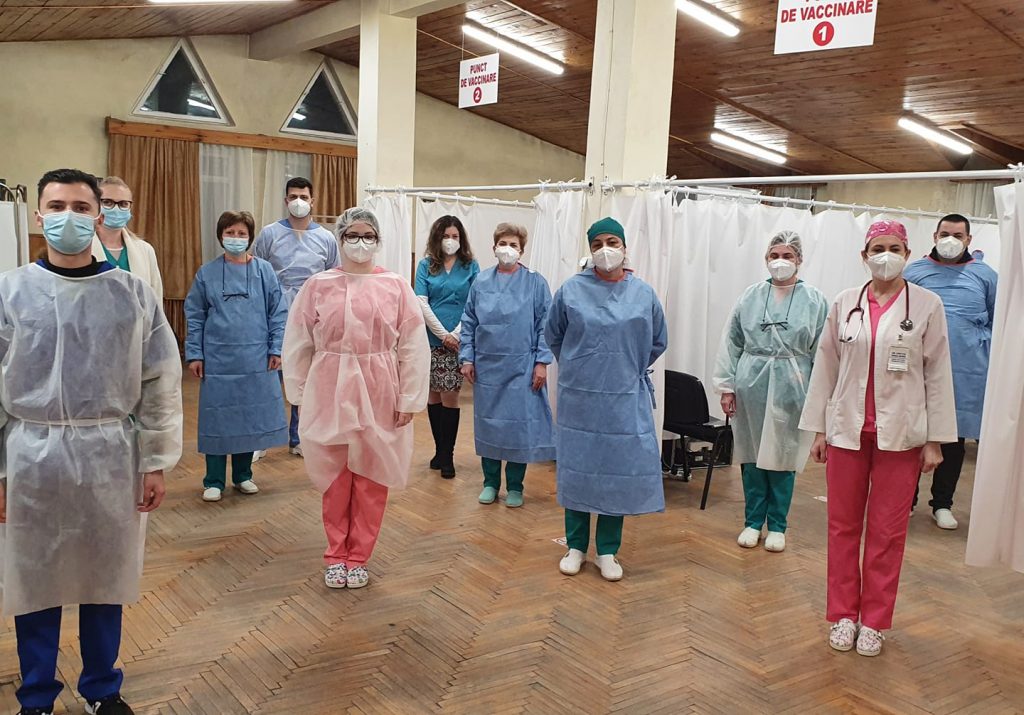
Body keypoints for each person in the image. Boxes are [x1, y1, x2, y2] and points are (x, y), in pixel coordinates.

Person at [0, 169, 182, 715]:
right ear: (39, 216)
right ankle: (37, 695)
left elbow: (159, 379)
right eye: (57, 206)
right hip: (30, 453)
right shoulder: (10, 292)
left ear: (98, 216)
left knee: (106, 575)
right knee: (34, 578)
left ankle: (102, 688)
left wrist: (155, 460)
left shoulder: (131, 295)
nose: (69, 217)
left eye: (81, 207)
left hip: (109, 453)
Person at [800, 220, 956, 657]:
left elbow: (938, 373)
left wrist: (935, 439)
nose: (885, 256)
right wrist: (819, 430)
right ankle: (843, 615)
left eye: (894, 248)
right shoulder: (844, 303)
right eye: (877, 248)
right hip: (847, 432)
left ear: (907, 253)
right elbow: (826, 367)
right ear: (864, 255)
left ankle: (874, 620)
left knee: (887, 532)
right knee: (842, 527)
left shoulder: (927, 304)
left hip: (901, 436)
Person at [283, 207, 429, 590]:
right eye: (353, 235)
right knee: (334, 473)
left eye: (368, 236)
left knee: (371, 473)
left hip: (380, 387)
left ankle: (359, 555)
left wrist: (410, 398)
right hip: (328, 385)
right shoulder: (318, 285)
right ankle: (336, 553)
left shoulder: (396, 286)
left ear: (378, 240)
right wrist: (298, 391)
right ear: (340, 238)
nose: (360, 243)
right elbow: (298, 340)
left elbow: (414, 346)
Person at [545, 217, 667, 582]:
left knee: (616, 470)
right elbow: (554, 335)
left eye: (612, 242)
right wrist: (579, 366)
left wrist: (626, 366)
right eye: (597, 244)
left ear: (625, 247)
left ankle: (608, 550)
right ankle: (575, 546)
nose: (605, 250)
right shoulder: (571, 290)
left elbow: (658, 339)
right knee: (578, 469)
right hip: (579, 397)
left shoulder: (643, 294)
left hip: (623, 396)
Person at [713, 231, 828, 553]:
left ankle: (777, 525)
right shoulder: (751, 296)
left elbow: (823, 351)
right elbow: (731, 342)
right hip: (751, 383)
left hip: (794, 385)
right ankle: (752, 522)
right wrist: (726, 387)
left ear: (799, 260)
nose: (780, 261)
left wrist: (818, 397)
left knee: (784, 455)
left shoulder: (815, 300)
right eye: (774, 255)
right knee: (751, 455)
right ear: (766, 259)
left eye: (787, 256)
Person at [184, 211, 289, 502]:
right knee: (218, 418)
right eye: (230, 233)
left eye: (242, 233)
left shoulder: (264, 271)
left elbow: (278, 312)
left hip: (256, 357)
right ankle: (214, 480)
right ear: (221, 235)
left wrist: (276, 348)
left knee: (248, 417)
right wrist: (195, 354)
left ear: (250, 237)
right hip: (217, 359)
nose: (236, 238)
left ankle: (243, 475)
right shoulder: (206, 273)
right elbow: (195, 315)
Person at [904, 213, 998, 530]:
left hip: (965, 372)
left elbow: (997, 319)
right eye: (945, 234)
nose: (950, 240)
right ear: (934, 235)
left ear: (969, 239)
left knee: (953, 440)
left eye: (958, 235)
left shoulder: (985, 276)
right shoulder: (915, 272)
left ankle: (942, 504)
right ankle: (906, 500)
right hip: (918, 370)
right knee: (912, 436)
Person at [459, 223, 555, 507]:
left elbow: (546, 325)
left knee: (517, 428)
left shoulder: (535, 283)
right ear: (494, 248)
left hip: (522, 366)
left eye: (513, 245)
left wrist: (541, 362)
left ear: (522, 250)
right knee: (489, 425)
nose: (508, 249)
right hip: (487, 367)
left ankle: (515, 486)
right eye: (503, 244)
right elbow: (469, 321)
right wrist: (467, 357)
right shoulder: (481, 282)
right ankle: (490, 482)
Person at [252, 177, 340, 456]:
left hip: (313, 316)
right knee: (270, 378)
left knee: (307, 378)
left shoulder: (326, 238)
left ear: (313, 201)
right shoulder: (269, 234)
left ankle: (299, 437)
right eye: (293, 197)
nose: (298, 201)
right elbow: (257, 273)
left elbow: (334, 280)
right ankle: (262, 439)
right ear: (285, 200)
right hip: (275, 313)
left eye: (303, 196)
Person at [416, 215, 480, 479]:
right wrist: (443, 335)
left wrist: (455, 334)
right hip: (431, 340)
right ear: (437, 238)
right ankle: (439, 450)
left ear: (461, 239)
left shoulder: (471, 266)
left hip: (459, 341)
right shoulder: (426, 265)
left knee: (450, 397)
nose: (450, 241)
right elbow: (421, 302)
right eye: (445, 236)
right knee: (433, 395)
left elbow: (475, 302)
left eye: (455, 236)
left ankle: (448, 455)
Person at [90, 176, 164, 301]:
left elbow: (155, 298)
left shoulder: (145, 250)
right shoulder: (82, 248)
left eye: (123, 204)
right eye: (107, 202)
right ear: (96, 205)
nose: (116, 209)